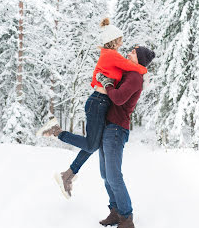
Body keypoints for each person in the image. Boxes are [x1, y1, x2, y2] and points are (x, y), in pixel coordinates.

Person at [38, 18, 147, 197]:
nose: (122, 42)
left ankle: (68, 174)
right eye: (120, 39)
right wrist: (144, 70)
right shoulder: (112, 55)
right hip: (99, 102)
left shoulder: (108, 56)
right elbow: (130, 67)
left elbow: (94, 80)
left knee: (93, 144)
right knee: (91, 143)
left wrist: (105, 83)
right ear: (114, 40)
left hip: (100, 102)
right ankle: (56, 131)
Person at [97, 45, 155, 228]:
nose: (128, 52)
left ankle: (127, 218)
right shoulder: (128, 73)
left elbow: (119, 98)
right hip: (108, 126)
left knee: (113, 175)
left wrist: (107, 84)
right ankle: (115, 210)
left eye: (133, 52)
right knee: (105, 174)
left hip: (116, 128)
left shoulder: (135, 77)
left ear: (139, 59)